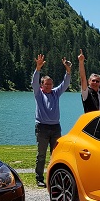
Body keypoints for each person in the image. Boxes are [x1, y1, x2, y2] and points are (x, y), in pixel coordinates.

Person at [31, 53, 72, 187]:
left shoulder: (56, 93)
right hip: (42, 127)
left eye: (50, 84)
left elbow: (65, 84)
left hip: (55, 127)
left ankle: (55, 178)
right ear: (41, 85)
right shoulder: (38, 94)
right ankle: (39, 178)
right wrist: (38, 68)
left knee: (56, 154)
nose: (48, 86)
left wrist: (68, 70)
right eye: (46, 84)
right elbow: (33, 82)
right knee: (41, 154)